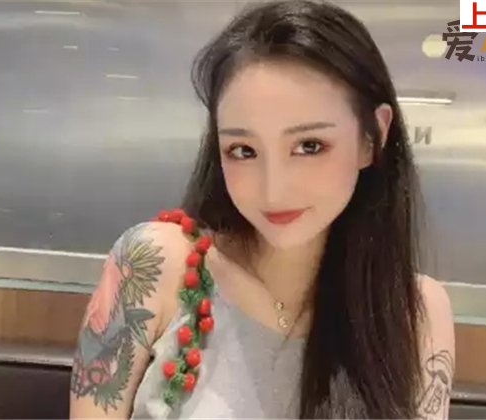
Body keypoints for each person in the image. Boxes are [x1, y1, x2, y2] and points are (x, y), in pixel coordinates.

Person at [69, 0, 455, 418]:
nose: (274, 189)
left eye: (309, 146)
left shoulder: (415, 315)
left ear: (372, 137)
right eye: (243, 150)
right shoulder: (155, 265)